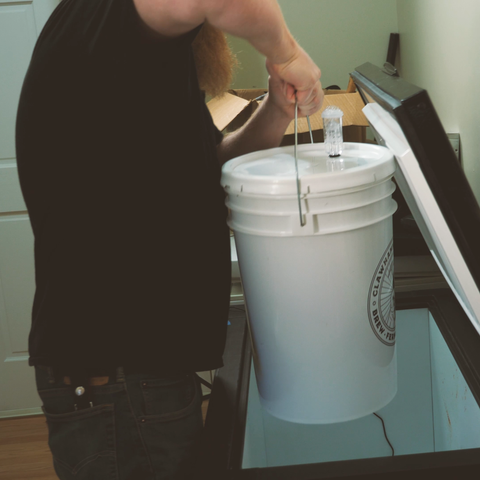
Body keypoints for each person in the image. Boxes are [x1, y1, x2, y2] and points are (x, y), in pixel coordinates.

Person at [15, 0, 323, 479]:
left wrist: (276, 110)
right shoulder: (99, 23)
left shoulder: (148, 65)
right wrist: (287, 54)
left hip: (138, 372)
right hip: (117, 372)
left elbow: (208, 173)